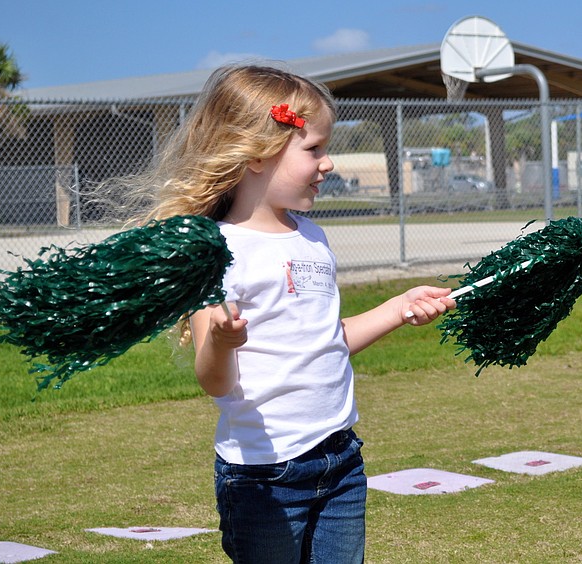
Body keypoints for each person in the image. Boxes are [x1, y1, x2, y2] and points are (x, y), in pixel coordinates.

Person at [143, 64, 456, 563]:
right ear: (255, 155)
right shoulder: (212, 250)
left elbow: (325, 340)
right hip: (264, 477)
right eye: (313, 149)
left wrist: (399, 307)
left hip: (342, 461)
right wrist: (222, 343)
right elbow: (215, 381)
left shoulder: (313, 237)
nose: (327, 163)